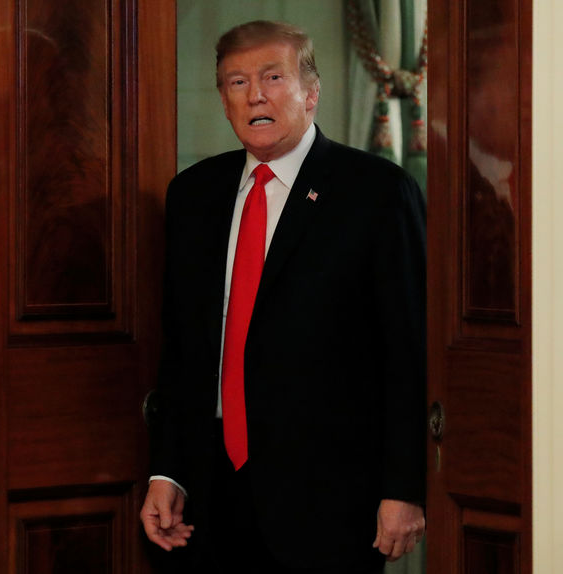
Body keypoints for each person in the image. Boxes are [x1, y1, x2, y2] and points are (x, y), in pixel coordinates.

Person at [140, 20, 427, 574]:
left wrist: (403, 487)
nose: (255, 95)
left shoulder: (377, 193)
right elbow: (182, 347)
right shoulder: (193, 196)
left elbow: (408, 348)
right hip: (210, 492)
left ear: (311, 92)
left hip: (330, 497)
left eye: (273, 77)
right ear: (224, 101)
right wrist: (167, 471)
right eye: (236, 82)